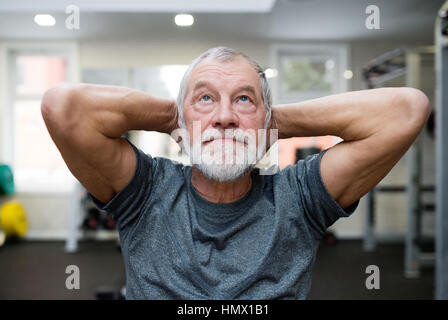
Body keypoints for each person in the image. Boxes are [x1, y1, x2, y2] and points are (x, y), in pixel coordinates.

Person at [41, 47, 429, 299]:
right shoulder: (145, 192)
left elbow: (406, 109)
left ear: (267, 116)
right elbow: (64, 107)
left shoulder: (299, 197)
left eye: (244, 99)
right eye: (205, 98)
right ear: (180, 118)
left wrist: (271, 125)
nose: (225, 117)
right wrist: (177, 118)